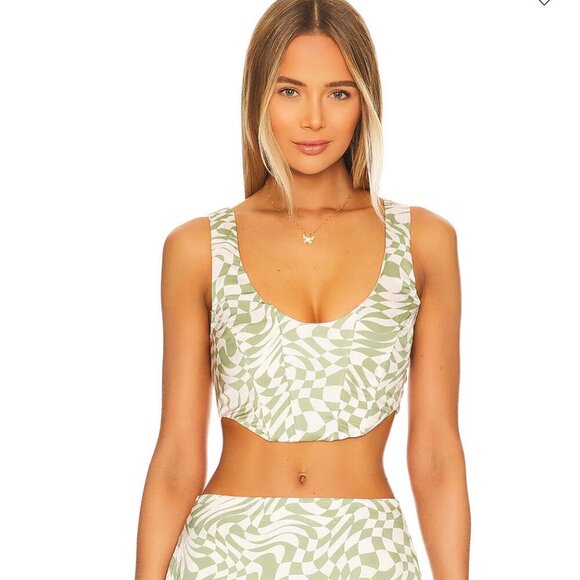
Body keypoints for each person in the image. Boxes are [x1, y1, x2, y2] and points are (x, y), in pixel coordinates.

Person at [135, 1, 470, 578]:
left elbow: (437, 455)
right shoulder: (197, 249)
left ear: (365, 102)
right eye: (290, 91)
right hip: (225, 556)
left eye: (338, 93)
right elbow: (177, 458)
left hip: (368, 557)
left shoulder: (424, 243)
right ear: (258, 98)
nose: (313, 119)